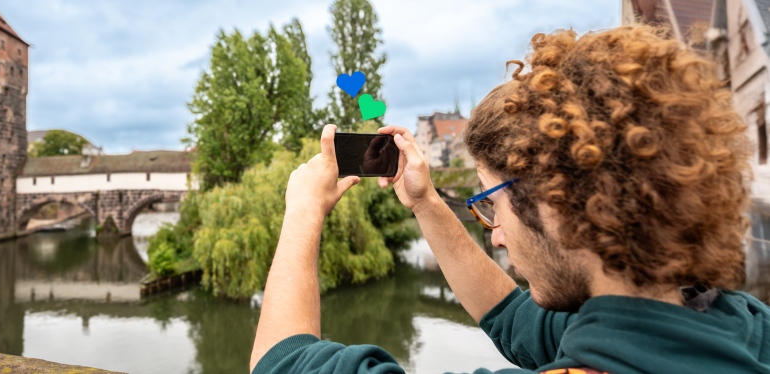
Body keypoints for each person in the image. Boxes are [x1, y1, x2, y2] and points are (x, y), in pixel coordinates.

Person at [250, 25, 770, 374]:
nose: (493, 232)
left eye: (491, 203)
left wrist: (302, 214)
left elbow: (279, 363)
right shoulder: (740, 323)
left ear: (559, 205)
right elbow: (514, 321)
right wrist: (426, 201)